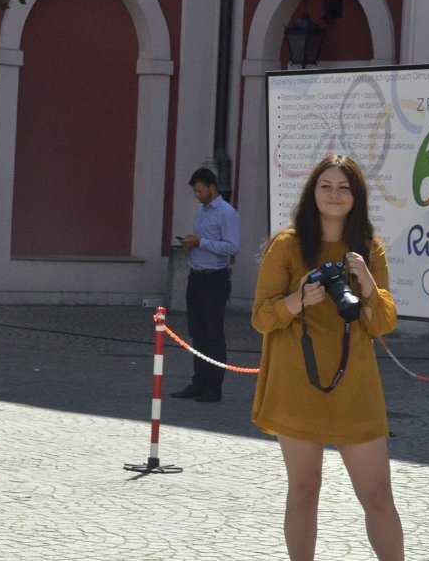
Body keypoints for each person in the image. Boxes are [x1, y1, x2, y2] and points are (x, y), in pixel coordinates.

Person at [252, 154, 403, 561]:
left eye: (343, 188)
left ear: (356, 196)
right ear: (312, 192)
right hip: (297, 380)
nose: (334, 195)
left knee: (378, 495)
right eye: (326, 186)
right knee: (304, 487)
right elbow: (261, 317)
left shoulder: (369, 249)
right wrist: (297, 300)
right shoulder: (288, 245)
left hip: (355, 383)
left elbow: (384, 323)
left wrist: (368, 283)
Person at [170, 167, 240, 403]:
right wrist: (192, 243)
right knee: (196, 332)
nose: (197, 195)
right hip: (197, 276)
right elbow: (205, 243)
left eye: (200, 191)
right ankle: (198, 382)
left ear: (212, 187)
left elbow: (232, 247)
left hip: (215, 279)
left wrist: (201, 242)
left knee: (213, 334)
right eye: (195, 192)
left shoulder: (226, 213)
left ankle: (214, 387)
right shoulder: (201, 211)